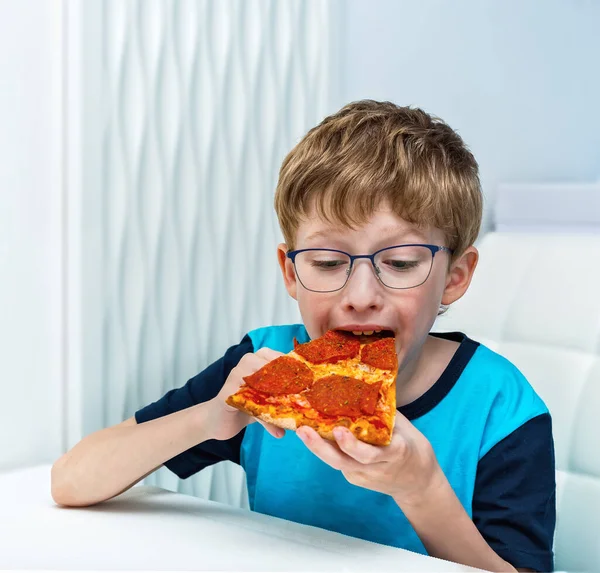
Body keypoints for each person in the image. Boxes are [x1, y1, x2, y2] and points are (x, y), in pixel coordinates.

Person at [51, 100, 555, 572]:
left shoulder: (502, 407)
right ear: (290, 273)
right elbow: (71, 481)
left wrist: (422, 488)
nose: (361, 295)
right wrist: (211, 416)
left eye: (400, 263)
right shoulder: (265, 362)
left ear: (456, 276)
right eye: (328, 262)